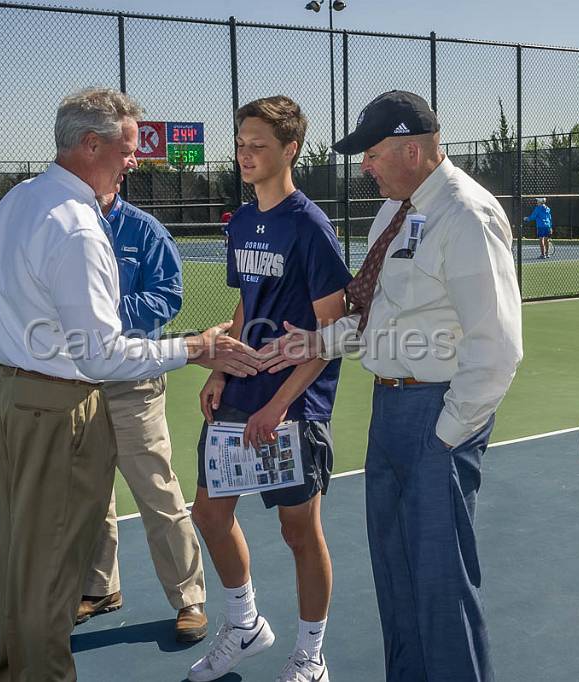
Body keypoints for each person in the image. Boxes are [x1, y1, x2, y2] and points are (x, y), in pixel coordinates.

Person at [0, 87, 261, 682]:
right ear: (90, 144)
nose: (136, 161)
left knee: (23, 554)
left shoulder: (19, 201)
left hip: (15, 394)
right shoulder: (78, 228)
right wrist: (195, 349)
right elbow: (102, 354)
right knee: (53, 566)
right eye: (129, 150)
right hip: (60, 403)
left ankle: (5, 670)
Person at [262, 90, 523, 681]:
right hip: (391, 408)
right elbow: (379, 316)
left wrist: (446, 435)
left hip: (436, 413)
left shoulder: (466, 213)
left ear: (412, 149)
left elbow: (498, 346)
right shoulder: (396, 210)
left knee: (439, 584)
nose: (364, 166)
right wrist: (316, 341)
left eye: (372, 153)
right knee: (396, 577)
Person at [186, 95, 351, 682]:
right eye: (240, 144)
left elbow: (332, 333)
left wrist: (280, 407)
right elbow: (244, 302)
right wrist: (222, 367)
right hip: (243, 390)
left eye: (259, 145)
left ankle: (311, 653)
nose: (246, 154)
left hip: (295, 404)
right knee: (208, 512)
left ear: (291, 150)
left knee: (299, 530)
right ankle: (245, 622)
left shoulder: (310, 226)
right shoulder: (243, 220)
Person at [75, 189, 208, 643]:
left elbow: (168, 296)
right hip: (79, 380)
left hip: (134, 379)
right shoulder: (67, 223)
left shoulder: (144, 229)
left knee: (156, 489)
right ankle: (99, 587)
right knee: (89, 491)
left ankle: (189, 597)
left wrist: (102, 317)